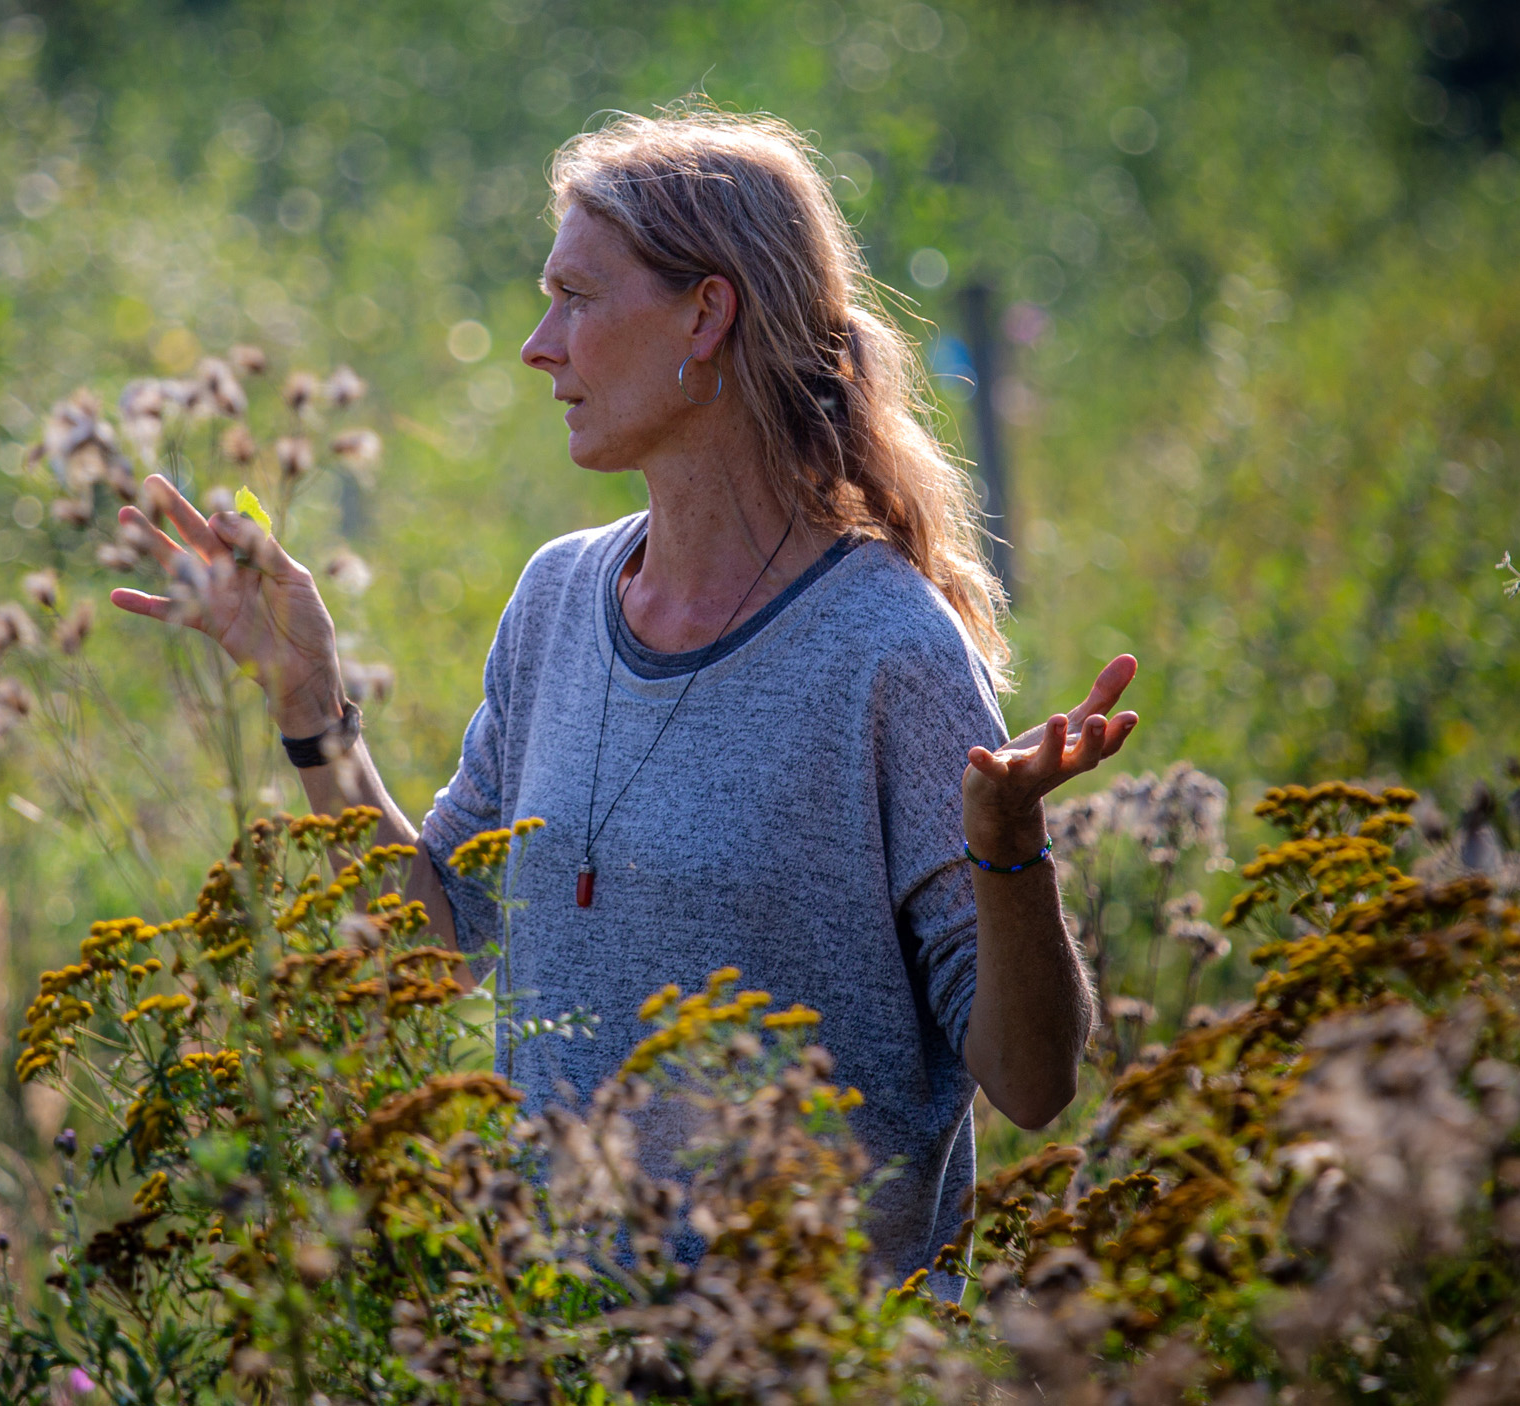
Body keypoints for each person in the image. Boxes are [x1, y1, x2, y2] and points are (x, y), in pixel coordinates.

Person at [106, 108, 1133, 1288]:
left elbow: (1032, 1079)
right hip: (563, 1349)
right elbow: (432, 945)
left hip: (815, 1361)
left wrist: (1010, 851)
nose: (540, 345)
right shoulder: (556, 600)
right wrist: (309, 702)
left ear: (706, 311)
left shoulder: (887, 648)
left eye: (577, 298)